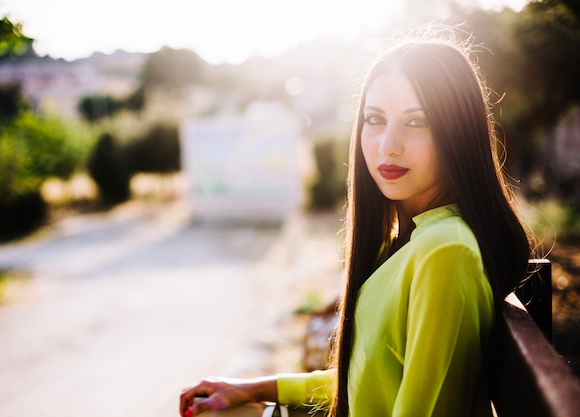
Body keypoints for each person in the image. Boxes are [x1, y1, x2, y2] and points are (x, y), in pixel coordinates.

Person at [179, 25, 535, 417]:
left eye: (417, 122)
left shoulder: (444, 251)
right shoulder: (409, 241)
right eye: (375, 119)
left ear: (457, 132)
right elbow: (368, 377)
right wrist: (256, 387)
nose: (388, 145)